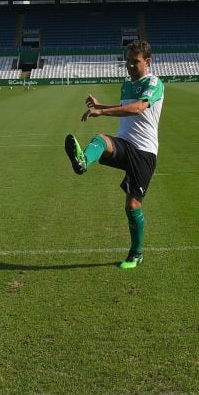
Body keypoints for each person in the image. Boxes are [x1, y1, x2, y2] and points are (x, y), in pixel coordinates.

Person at [64, 40, 164, 270]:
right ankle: (82, 162)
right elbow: (125, 109)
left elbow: (138, 107)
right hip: (125, 144)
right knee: (100, 139)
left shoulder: (154, 83)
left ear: (147, 62)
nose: (130, 65)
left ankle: (136, 253)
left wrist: (102, 110)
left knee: (132, 207)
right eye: (128, 60)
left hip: (144, 152)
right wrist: (102, 106)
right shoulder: (126, 85)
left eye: (135, 61)